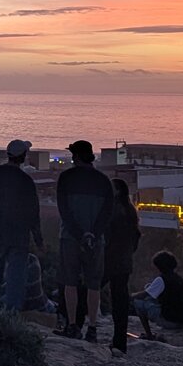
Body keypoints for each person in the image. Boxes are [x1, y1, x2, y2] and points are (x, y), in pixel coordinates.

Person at [56, 139, 115, 339]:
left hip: (69, 238)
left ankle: (72, 325)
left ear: (76, 157)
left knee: (70, 282)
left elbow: (64, 211)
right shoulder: (104, 181)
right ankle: (92, 327)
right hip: (95, 241)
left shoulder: (65, 178)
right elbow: (107, 213)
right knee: (93, 284)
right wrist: (93, 234)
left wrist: (79, 234)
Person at [0, 139, 45, 317]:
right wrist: (39, 240)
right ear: (23, 157)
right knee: (16, 277)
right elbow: (33, 213)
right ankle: (11, 316)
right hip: (19, 235)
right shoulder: (25, 180)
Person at [102, 178, 142, 352]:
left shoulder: (113, 211)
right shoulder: (130, 211)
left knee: (88, 290)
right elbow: (136, 237)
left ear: (117, 191)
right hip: (124, 262)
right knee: (120, 301)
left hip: (110, 260)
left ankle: (78, 326)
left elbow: (107, 235)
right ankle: (120, 341)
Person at [139, 250, 183, 338]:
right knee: (149, 288)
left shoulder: (162, 279)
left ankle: (149, 335)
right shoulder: (182, 280)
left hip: (169, 321)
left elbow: (145, 295)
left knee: (139, 303)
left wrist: (131, 296)